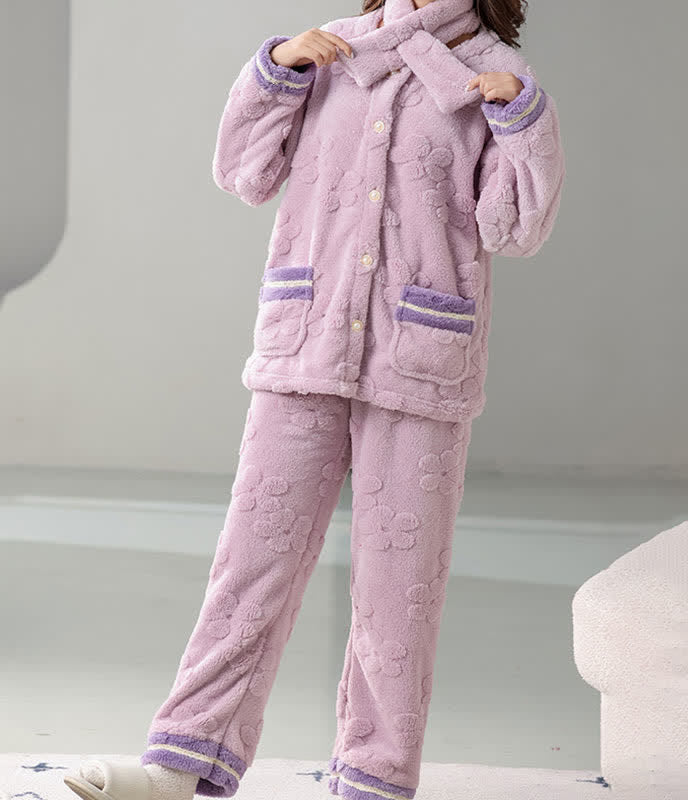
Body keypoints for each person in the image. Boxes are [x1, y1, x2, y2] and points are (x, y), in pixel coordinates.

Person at [64, 0, 565, 798]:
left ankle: (373, 779)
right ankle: (181, 764)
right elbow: (244, 173)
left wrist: (520, 120)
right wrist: (276, 74)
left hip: (420, 357)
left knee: (399, 591)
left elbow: (514, 228)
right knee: (249, 565)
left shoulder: (495, 74)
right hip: (307, 339)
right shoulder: (330, 53)